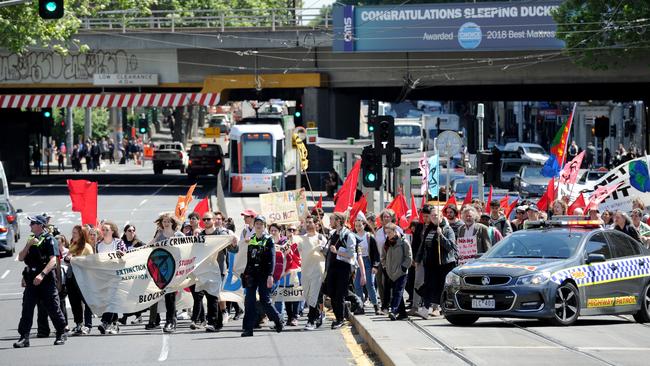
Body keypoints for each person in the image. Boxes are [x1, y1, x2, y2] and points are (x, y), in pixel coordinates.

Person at [14, 215, 68, 348]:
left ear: (40, 225)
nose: (30, 225)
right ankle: (24, 337)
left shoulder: (50, 240)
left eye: (32, 223)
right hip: (32, 280)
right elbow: (21, 258)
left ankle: (61, 333)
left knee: (53, 308)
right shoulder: (31, 240)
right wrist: (28, 245)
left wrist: (42, 274)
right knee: (27, 308)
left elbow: (53, 261)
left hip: (46, 280)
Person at [241, 215, 283, 337]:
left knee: (265, 300)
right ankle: (248, 329)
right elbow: (248, 258)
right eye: (257, 223)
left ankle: (278, 319)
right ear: (254, 225)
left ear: (264, 226)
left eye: (261, 223)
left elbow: (272, 258)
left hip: (264, 274)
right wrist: (246, 273)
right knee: (249, 301)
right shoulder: (251, 239)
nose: (258, 225)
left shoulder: (268, 239)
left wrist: (270, 275)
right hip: (252, 274)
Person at [144, 214, 184, 333]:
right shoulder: (160, 235)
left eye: (168, 221)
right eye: (164, 221)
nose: (166, 223)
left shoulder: (179, 235)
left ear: (173, 223)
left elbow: (188, 246)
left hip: (176, 269)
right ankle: (170, 320)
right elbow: (149, 245)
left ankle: (170, 321)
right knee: (167, 296)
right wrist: (156, 236)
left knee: (171, 296)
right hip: (163, 270)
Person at [415, 206, 456, 319]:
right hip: (430, 263)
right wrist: (418, 259)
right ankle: (425, 309)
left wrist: (441, 236)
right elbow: (423, 245)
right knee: (428, 286)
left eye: (436, 215)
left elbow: (451, 247)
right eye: (432, 216)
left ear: (441, 216)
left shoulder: (447, 229)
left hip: (443, 264)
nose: (433, 218)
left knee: (441, 288)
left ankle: (443, 309)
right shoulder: (429, 229)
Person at [325, 212, 357, 328]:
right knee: (331, 293)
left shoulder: (349, 235)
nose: (330, 222)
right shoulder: (333, 234)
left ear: (338, 221)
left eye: (332, 219)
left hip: (343, 268)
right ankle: (340, 316)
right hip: (332, 267)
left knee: (339, 295)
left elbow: (351, 254)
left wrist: (337, 252)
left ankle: (340, 318)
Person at [95, 221, 127, 335]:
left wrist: (119, 256)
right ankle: (115, 324)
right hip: (104, 276)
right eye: (102, 230)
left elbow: (124, 257)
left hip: (116, 275)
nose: (104, 232)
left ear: (112, 231)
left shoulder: (118, 242)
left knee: (112, 298)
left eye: (106, 230)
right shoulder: (99, 244)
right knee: (109, 300)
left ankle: (105, 321)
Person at [65, 225, 94, 335]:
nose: (73, 235)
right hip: (71, 276)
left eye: (75, 233)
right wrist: (68, 258)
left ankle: (88, 325)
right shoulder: (73, 244)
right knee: (74, 302)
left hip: (83, 277)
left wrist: (74, 259)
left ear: (81, 234)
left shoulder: (87, 247)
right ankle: (78, 324)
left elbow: (90, 261)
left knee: (86, 301)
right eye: (72, 233)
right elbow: (68, 257)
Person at [300, 215, 328, 330]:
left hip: (317, 270)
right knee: (308, 295)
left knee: (314, 295)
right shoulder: (302, 238)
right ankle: (318, 315)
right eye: (306, 222)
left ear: (316, 224)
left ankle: (311, 320)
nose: (308, 224)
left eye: (310, 222)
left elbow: (328, 253)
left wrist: (323, 248)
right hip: (306, 271)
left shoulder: (321, 237)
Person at [381, 223, 412, 321]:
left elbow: (409, 257)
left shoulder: (403, 242)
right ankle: (403, 313)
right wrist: (386, 267)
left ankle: (393, 310)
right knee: (396, 292)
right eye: (386, 233)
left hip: (401, 272)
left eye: (389, 232)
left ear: (395, 231)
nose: (388, 235)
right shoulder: (386, 244)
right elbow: (383, 257)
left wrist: (403, 268)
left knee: (398, 292)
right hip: (390, 272)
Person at [352, 212, 381, 315]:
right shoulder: (353, 237)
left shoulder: (369, 237)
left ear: (364, 225)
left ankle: (376, 306)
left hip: (368, 262)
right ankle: (360, 306)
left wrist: (375, 266)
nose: (358, 228)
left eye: (360, 225)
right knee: (357, 285)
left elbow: (376, 253)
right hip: (358, 263)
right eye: (356, 226)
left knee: (370, 284)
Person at [117, 225, 146, 325]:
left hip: (135, 273)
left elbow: (146, 252)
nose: (131, 232)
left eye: (133, 230)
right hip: (124, 273)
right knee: (125, 295)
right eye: (129, 230)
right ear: (125, 232)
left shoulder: (139, 243)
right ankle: (125, 317)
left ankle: (138, 316)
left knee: (133, 295)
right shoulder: (121, 243)